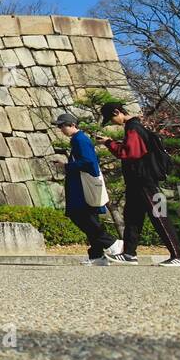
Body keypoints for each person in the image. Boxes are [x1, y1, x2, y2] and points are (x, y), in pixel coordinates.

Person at [96, 102, 180, 267]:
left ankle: (179, 255)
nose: (112, 122)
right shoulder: (134, 127)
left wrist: (110, 143)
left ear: (117, 112)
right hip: (136, 182)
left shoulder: (133, 128)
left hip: (144, 181)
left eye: (111, 118)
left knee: (159, 216)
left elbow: (129, 153)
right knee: (132, 217)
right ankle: (129, 254)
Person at [53, 113, 122, 266]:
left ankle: (111, 243)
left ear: (71, 124)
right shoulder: (79, 139)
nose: (61, 129)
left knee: (81, 217)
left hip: (82, 187)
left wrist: (66, 166)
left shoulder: (80, 140)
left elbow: (89, 162)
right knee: (89, 218)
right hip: (82, 185)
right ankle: (97, 255)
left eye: (62, 125)